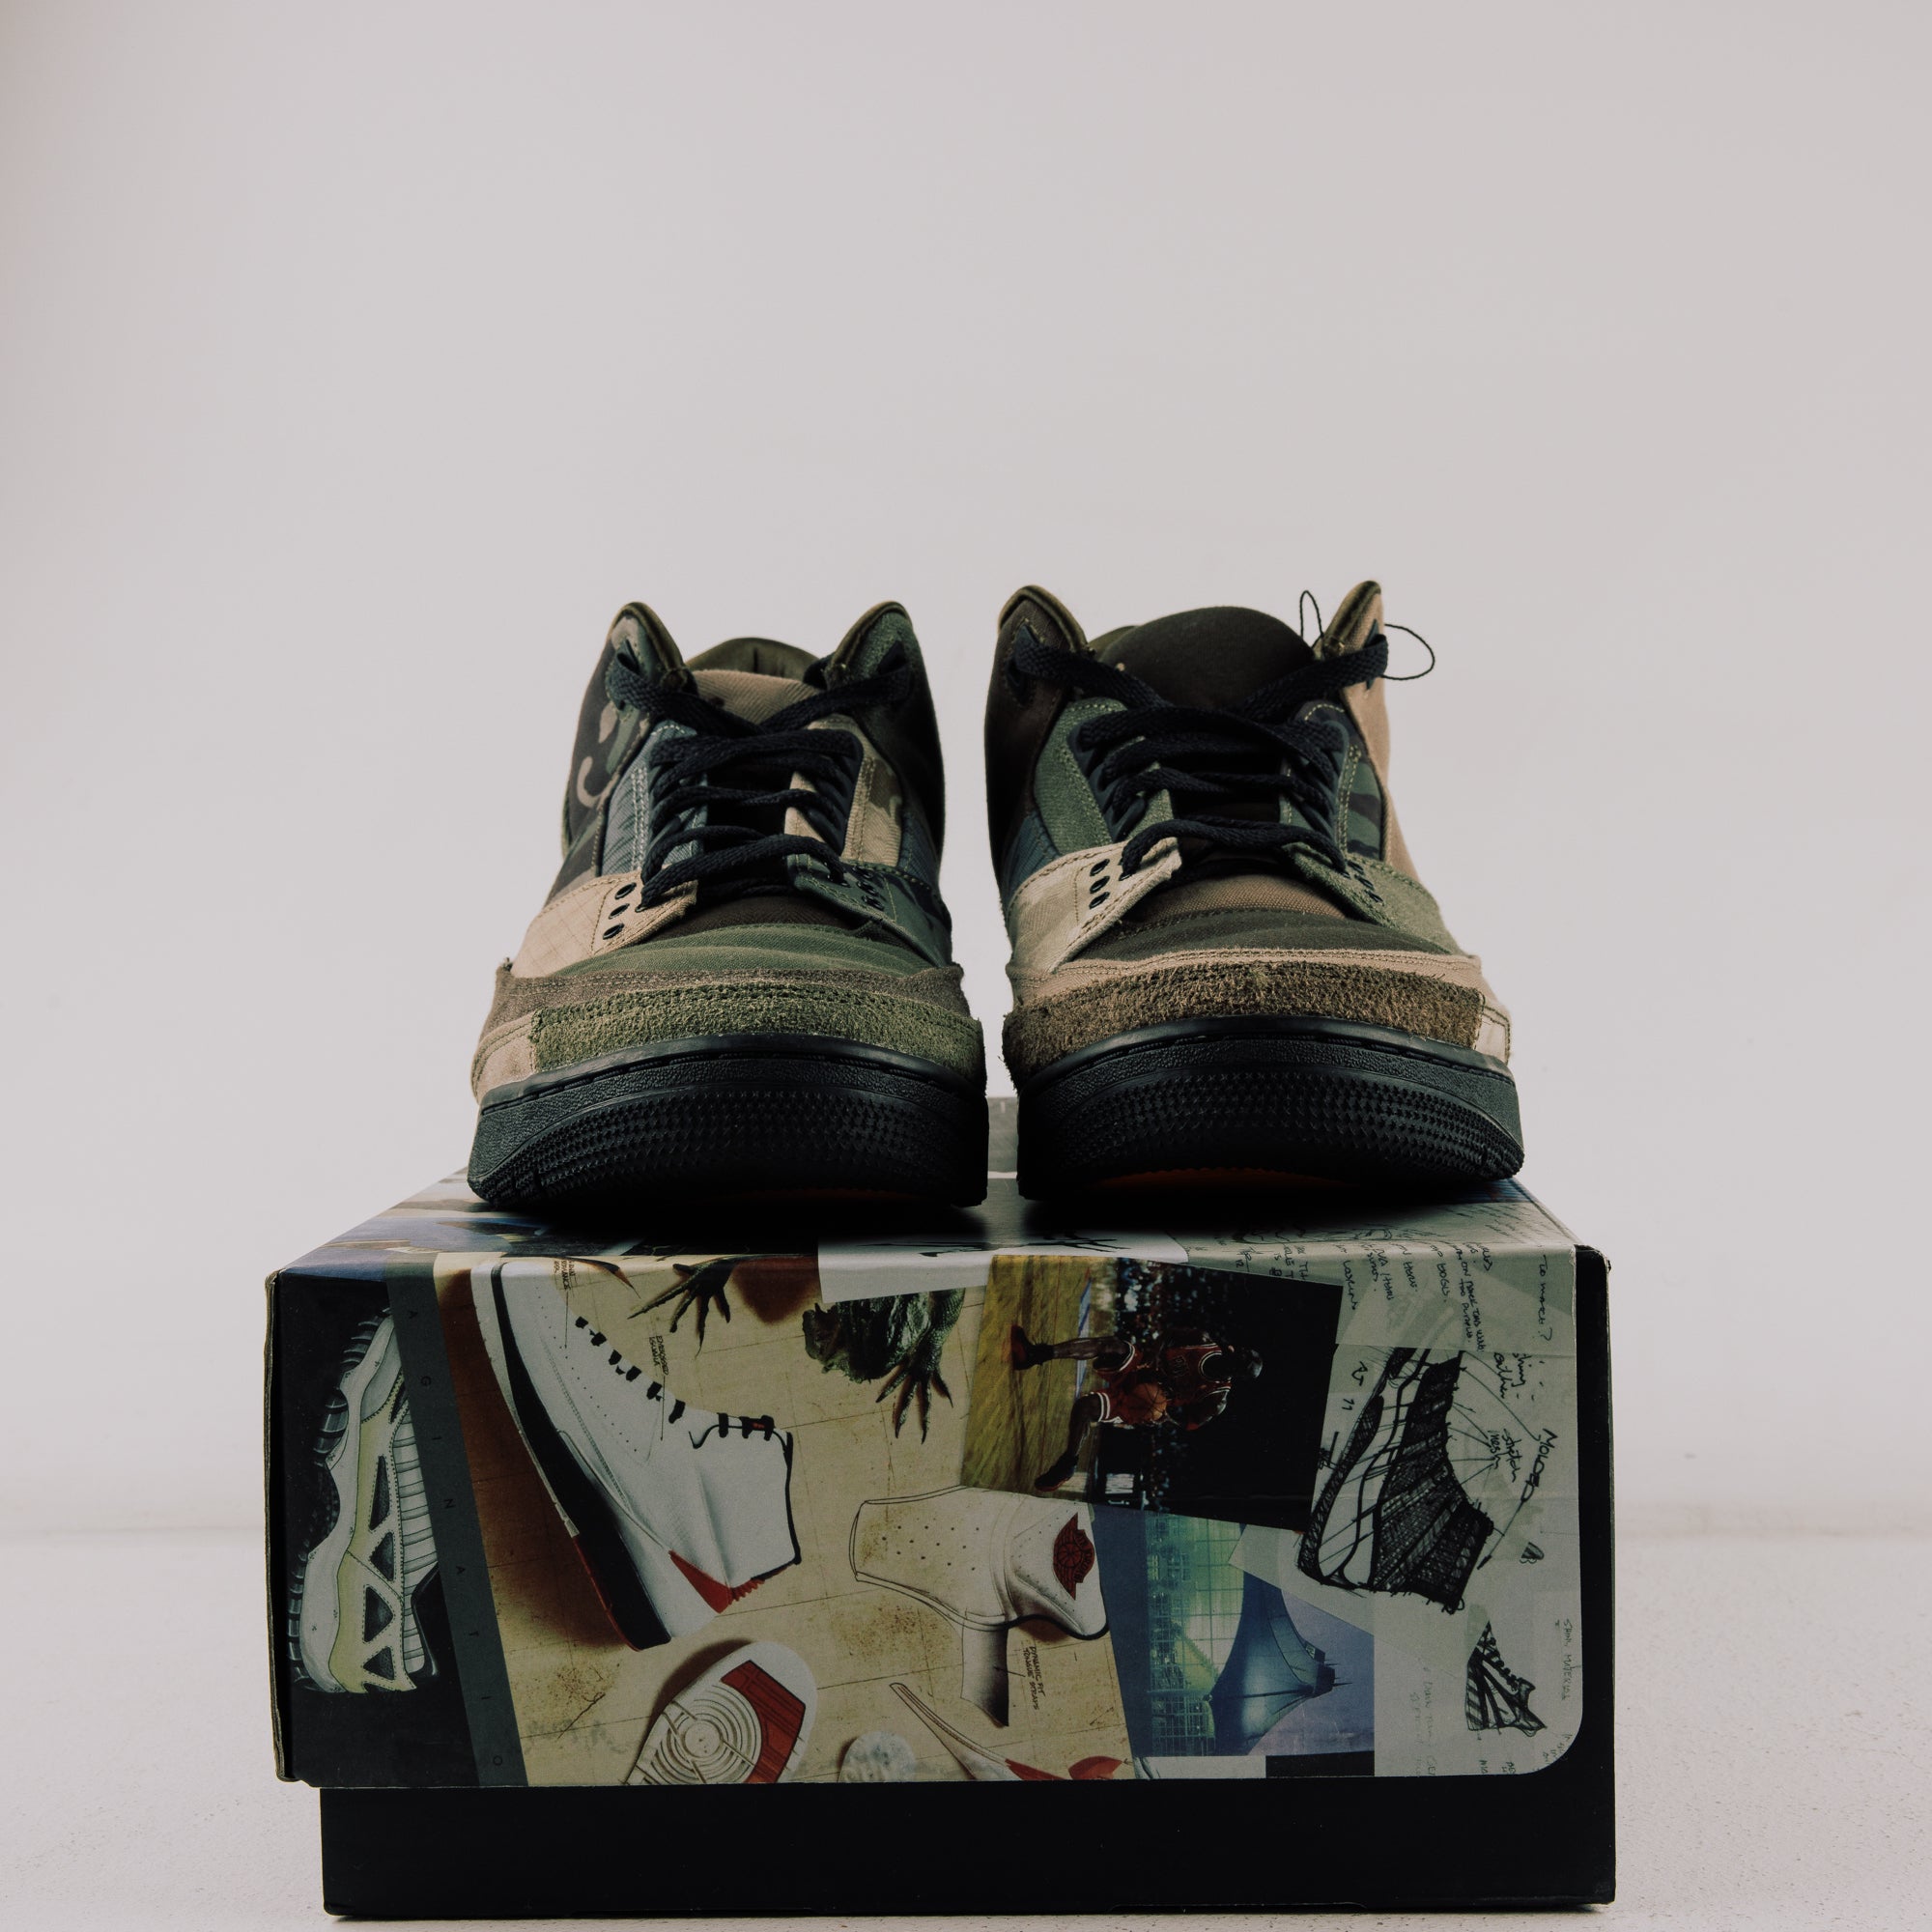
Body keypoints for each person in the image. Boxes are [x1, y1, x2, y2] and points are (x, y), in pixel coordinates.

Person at [1011, 1323, 1263, 1490]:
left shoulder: (1216, 1398)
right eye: (1237, 1353)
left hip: (1142, 1401)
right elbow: (1169, 1334)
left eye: (1237, 1363)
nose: (1232, 1354)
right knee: (1110, 1344)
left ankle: (1067, 1464)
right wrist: (1154, 1352)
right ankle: (1035, 1354)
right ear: (1232, 1350)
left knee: (1084, 1407)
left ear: (1235, 1373)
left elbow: (1190, 1423)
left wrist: (1164, 1416)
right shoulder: (1202, 1341)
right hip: (1141, 1366)